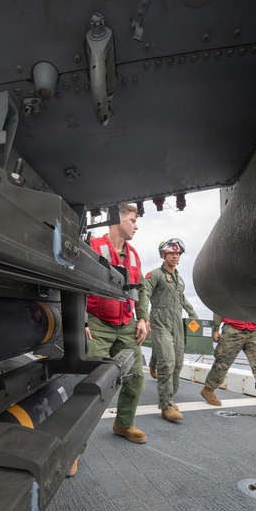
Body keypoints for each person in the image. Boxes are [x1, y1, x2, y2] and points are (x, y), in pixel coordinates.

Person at [70, 203, 150, 477]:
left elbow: (139, 290)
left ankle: (123, 424)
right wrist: (80, 321)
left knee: (136, 377)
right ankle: (74, 449)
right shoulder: (92, 246)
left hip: (126, 325)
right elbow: (75, 282)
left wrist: (142, 318)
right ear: (116, 220)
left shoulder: (135, 256)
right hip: (97, 324)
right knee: (87, 383)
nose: (136, 225)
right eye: (132, 219)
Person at [141, 238, 198, 422]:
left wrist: (192, 313)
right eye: (171, 253)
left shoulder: (180, 279)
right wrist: (142, 317)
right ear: (163, 255)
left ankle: (170, 397)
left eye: (178, 253)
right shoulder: (154, 275)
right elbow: (144, 294)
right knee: (168, 362)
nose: (175, 256)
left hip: (177, 324)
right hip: (159, 322)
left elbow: (181, 299)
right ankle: (165, 405)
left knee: (178, 363)